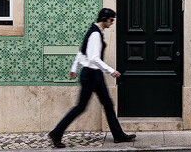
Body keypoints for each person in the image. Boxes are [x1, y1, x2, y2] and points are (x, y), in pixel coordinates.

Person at [48, 8, 136, 148]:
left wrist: (74, 68)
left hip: (93, 74)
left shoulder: (94, 31)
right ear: (105, 19)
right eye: (111, 20)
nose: (112, 23)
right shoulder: (95, 34)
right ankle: (56, 132)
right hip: (91, 75)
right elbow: (93, 58)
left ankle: (118, 135)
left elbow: (81, 52)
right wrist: (111, 70)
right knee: (81, 107)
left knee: (106, 104)